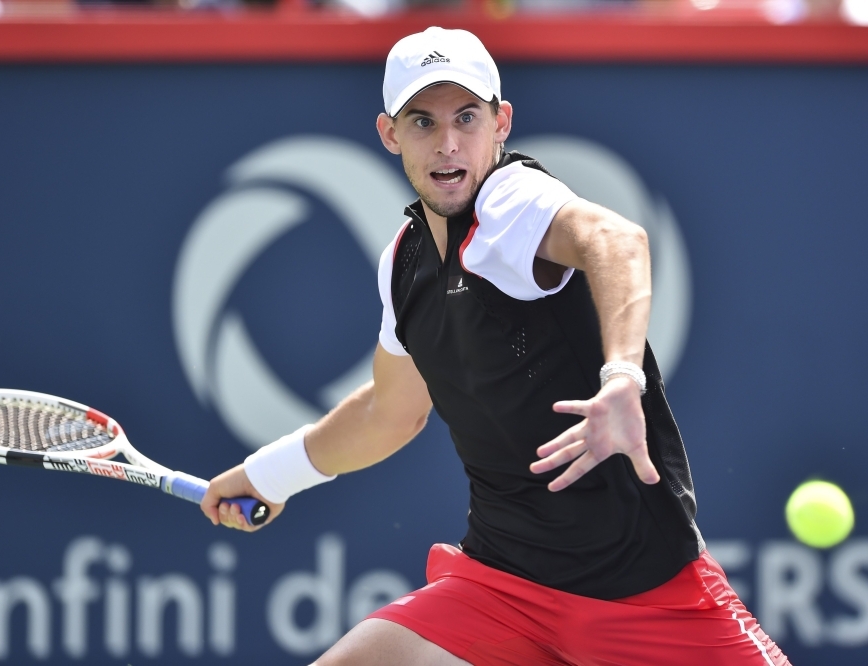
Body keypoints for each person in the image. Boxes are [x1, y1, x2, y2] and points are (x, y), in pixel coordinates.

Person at [201, 26, 790, 666]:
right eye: (423, 121)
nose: (448, 143)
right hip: (503, 586)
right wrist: (269, 476)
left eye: (467, 118)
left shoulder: (512, 205)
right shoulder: (404, 263)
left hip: (645, 594)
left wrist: (622, 376)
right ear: (389, 134)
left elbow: (618, 240)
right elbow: (388, 413)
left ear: (501, 123)